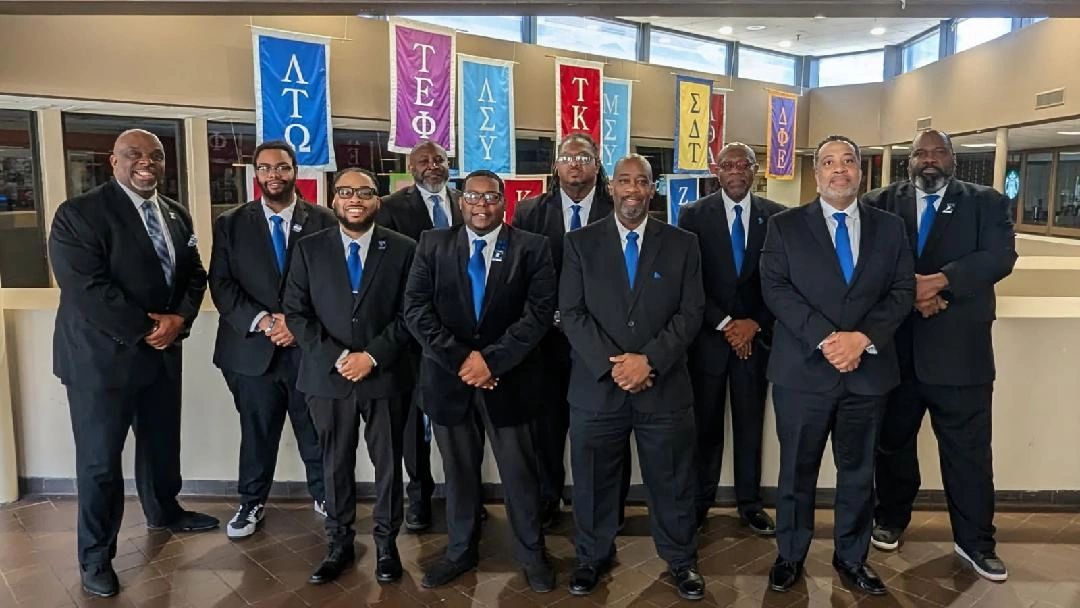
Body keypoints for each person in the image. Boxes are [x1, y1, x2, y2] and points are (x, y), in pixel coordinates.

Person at [48, 129, 218, 598]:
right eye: (134, 155)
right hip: (101, 362)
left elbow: (195, 273)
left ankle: (164, 510)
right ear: (114, 161)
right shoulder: (79, 214)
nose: (146, 162)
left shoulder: (176, 214)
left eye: (155, 156)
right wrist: (147, 328)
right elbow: (86, 287)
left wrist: (179, 318)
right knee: (100, 463)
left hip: (161, 355)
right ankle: (95, 556)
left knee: (161, 445)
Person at [760, 135, 914, 596]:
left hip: (867, 373)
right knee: (796, 470)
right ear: (817, 174)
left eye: (848, 161)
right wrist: (828, 339)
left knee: (859, 473)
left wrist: (861, 338)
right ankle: (790, 554)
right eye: (829, 162)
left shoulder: (890, 227)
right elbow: (775, 288)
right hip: (803, 373)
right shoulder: (785, 226)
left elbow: (902, 290)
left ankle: (852, 557)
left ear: (861, 171)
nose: (839, 169)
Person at [865, 129, 1017, 582]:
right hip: (896, 352)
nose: (929, 159)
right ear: (908, 160)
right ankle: (890, 518)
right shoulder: (879, 203)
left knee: (969, 454)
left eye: (938, 152)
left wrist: (941, 281)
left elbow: (1000, 257)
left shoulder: (986, 202)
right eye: (920, 153)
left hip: (960, 356)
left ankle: (976, 543)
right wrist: (913, 293)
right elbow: (867, 263)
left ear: (953, 158)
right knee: (892, 445)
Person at [560, 154, 706, 601]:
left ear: (652, 189)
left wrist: (649, 361)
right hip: (597, 388)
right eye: (624, 181)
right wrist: (615, 366)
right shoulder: (580, 243)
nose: (632, 190)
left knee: (672, 480)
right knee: (593, 481)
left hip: (663, 387)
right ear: (611, 188)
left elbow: (691, 312)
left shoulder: (683, 243)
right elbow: (572, 312)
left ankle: (681, 560)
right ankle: (592, 556)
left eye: (641, 182)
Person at [403, 170, 557, 592]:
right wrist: (463, 361)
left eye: (490, 198)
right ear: (461, 201)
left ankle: (532, 555)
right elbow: (416, 309)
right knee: (459, 475)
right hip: (449, 382)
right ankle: (460, 551)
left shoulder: (533, 247)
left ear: (504, 202)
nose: (481, 205)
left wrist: (491, 362)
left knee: (520, 475)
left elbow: (539, 314)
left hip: (510, 382)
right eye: (473, 197)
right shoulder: (432, 244)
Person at [283, 167, 416, 585]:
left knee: (388, 465)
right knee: (334, 462)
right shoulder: (309, 249)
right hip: (328, 377)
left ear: (377, 200)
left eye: (364, 192)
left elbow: (410, 313)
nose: (354, 199)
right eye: (345, 192)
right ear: (333, 199)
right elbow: (296, 313)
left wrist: (371, 357)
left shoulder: (403, 248)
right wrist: (340, 357)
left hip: (385, 376)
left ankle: (386, 545)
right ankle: (338, 543)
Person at [208, 140, 333, 539]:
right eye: (264, 168)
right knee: (257, 431)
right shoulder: (231, 223)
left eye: (281, 167)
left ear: (295, 171)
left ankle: (326, 496)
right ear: (256, 174)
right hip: (251, 350)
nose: (273, 175)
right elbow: (221, 284)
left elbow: (331, 285)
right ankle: (251, 502)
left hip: (306, 348)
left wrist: (296, 324)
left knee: (314, 429)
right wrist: (264, 322)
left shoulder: (324, 220)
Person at [511, 133, 623, 530]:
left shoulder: (617, 209)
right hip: (545, 341)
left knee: (603, 429)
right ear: (556, 166)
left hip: (601, 340)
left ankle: (605, 508)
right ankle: (548, 497)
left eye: (584, 157)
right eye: (567, 157)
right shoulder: (529, 211)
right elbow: (519, 276)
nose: (575, 163)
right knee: (547, 426)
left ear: (597, 165)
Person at [677, 142, 785, 534]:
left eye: (744, 164)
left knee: (750, 425)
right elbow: (688, 280)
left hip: (755, 341)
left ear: (756, 169)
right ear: (716, 170)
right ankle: (699, 501)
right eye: (728, 165)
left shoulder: (777, 217)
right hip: (708, 339)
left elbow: (780, 281)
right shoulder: (692, 215)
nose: (736, 170)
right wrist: (725, 323)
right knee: (704, 426)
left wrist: (755, 323)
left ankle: (750, 503)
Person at [376, 139, 465, 532]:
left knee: (461, 424)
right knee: (413, 426)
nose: (433, 165)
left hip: (461, 333)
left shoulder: (466, 201)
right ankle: (419, 498)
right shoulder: (391, 208)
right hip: (413, 334)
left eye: (439, 159)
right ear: (410, 168)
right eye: (424, 160)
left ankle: (464, 498)